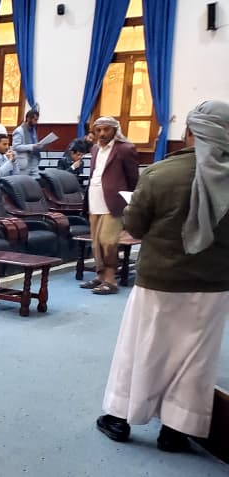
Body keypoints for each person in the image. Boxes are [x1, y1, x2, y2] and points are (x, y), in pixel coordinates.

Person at [97, 100, 229, 453]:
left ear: (190, 131)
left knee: (142, 347)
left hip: (161, 279)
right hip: (214, 283)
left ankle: (120, 417)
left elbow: (136, 225)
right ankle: (176, 430)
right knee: (196, 357)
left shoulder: (160, 174)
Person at [80, 116, 139, 295]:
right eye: (99, 130)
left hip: (114, 201)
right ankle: (100, 276)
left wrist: (128, 199)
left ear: (115, 130)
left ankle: (111, 280)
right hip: (94, 198)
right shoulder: (95, 148)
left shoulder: (125, 148)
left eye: (106, 129)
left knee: (108, 241)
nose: (102, 133)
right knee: (96, 241)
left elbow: (133, 178)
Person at [11, 110, 44, 176]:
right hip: (24, 162)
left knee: (36, 180)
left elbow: (35, 142)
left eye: (37, 120)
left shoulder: (33, 129)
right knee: (23, 180)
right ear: (28, 118)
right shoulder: (19, 131)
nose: (36, 122)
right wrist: (32, 146)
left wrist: (40, 146)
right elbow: (15, 147)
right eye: (35, 120)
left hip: (34, 160)